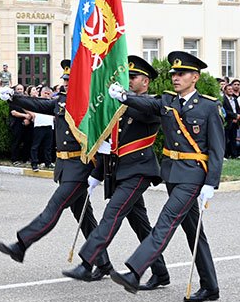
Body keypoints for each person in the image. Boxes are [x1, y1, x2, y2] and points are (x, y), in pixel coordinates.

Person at [107, 51, 224, 302]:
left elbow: (217, 148)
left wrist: (211, 183)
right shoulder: (168, 100)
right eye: (173, 74)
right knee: (194, 231)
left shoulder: (208, 106)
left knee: (166, 221)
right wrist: (124, 96)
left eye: (181, 74)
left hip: (193, 174)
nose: (175, 78)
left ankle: (135, 271)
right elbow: (147, 105)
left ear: (195, 77)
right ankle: (210, 286)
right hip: (172, 172)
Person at [0, 59, 112, 280]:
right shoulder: (62, 101)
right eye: (65, 80)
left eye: (71, 80)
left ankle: (21, 244)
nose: (66, 83)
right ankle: (103, 262)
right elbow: (40, 105)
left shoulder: (91, 102)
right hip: (65, 168)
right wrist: (14, 97)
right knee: (85, 218)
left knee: (54, 208)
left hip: (80, 168)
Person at [61, 55, 170, 289]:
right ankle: (160, 273)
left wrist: (123, 97)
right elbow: (112, 145)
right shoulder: (121, 104)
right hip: (120, 172)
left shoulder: (152, 103)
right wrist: (97, 174)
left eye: (134, 77)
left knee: (112, 214)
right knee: (141, 224)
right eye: (127, 76)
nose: (129, 80)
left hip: (139, 171)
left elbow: (146, 109)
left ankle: (87, 262)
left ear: (146, 82)